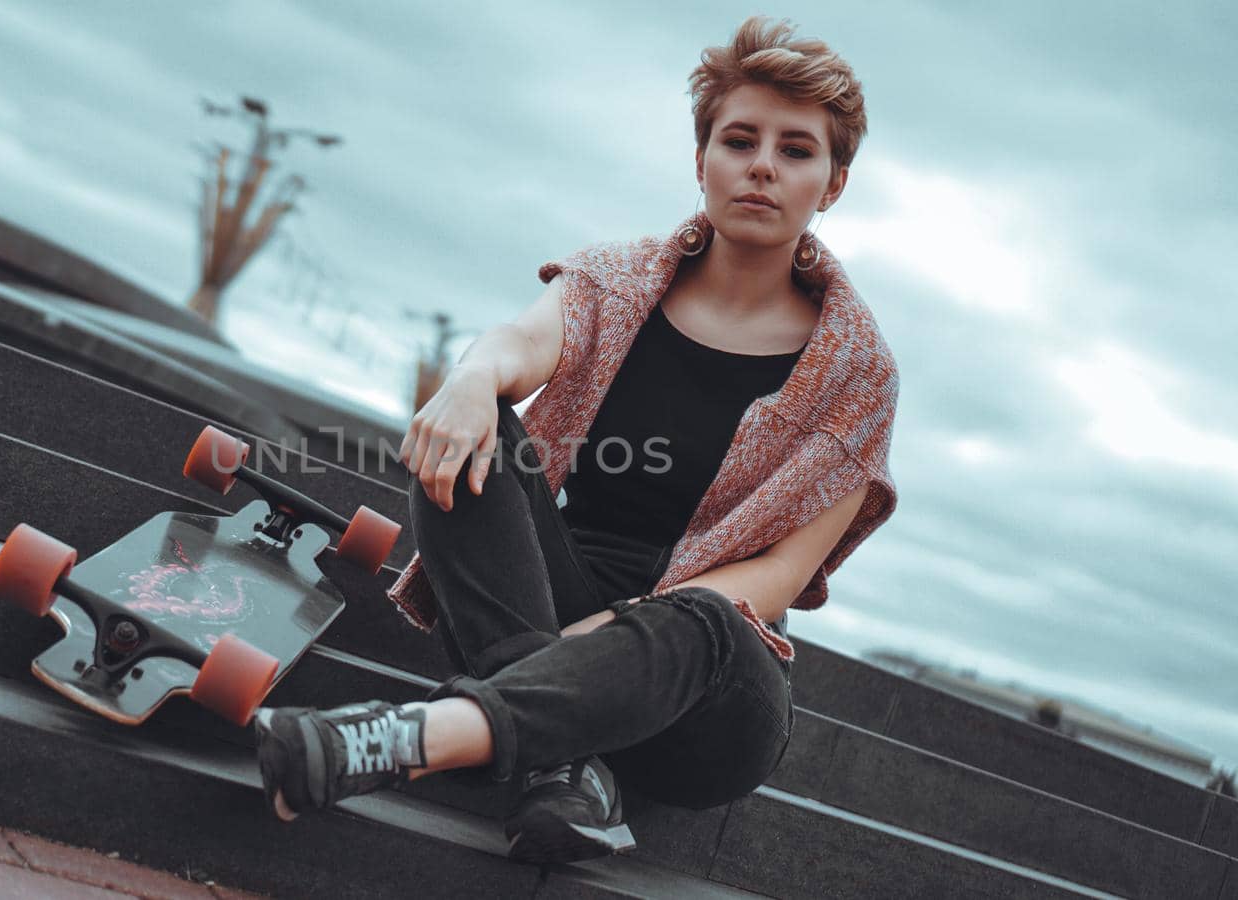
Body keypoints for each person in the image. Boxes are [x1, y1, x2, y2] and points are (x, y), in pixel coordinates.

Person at [253, 15, 899, 866]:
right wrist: (473, 379)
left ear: (834, 182)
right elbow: (520, 346)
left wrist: (609, 634)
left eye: (797, 150)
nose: (763, 167)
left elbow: (777, 579)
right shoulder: (619, 280)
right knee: (472, 442)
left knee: (704, 615)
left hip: (709, 686)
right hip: (537, 611)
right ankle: (558, 766)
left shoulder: (856, 373)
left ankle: (411, 736)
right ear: (701, 160)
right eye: (739, 140)